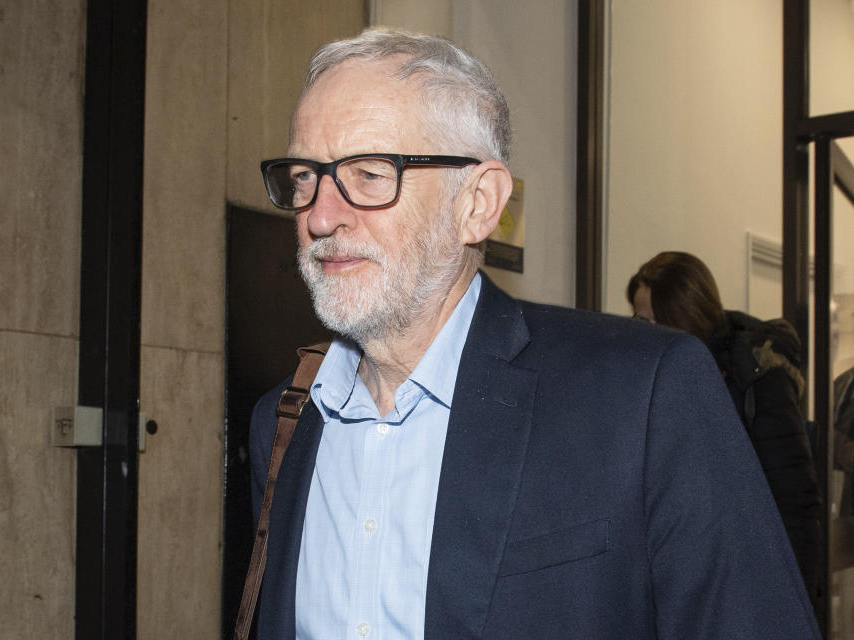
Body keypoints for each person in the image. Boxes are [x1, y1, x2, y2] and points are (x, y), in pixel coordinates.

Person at [248, 29, 820, 638]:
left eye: (367, 174)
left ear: (478, 203)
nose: (319, 215)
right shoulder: (283, 423)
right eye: (304, 175)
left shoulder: (642, 397)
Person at [627, 250, 821, 600]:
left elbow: (794, 498)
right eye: (640, 320)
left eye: (655, 321)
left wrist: (795, 601)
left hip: (743, 576)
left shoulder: (758, 376)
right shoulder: (659, 376)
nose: (644, 332)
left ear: (684, 317)